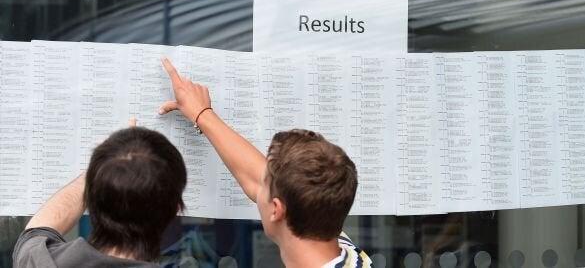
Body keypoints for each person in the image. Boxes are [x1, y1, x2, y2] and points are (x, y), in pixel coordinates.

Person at [159, 58, 373, 268]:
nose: (259, 186)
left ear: (276, 209)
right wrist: (202, 114)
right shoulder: (349, 256)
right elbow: (256, 177)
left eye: (265, 184)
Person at [12, 119, 187, 267]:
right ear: (175, 209)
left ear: (91, 198)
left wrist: (110, 162)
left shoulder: (38, 260)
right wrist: (204, 115)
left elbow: (37, 230)